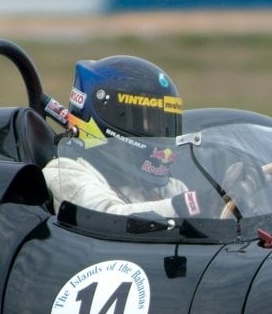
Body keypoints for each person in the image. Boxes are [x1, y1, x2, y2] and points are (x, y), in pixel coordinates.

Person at [42, 55, 259, 219]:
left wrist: (234, 201)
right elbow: (109, 217)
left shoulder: (168, 188)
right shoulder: (66, 173)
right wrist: (192, 205)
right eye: (147, 123)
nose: (161, 139)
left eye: (164, 125)